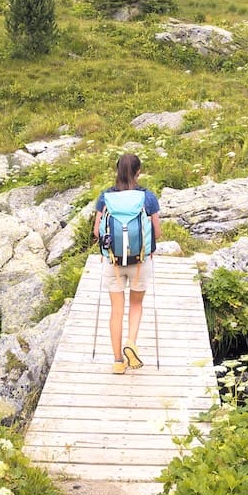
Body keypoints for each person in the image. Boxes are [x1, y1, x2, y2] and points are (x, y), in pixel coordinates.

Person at [93, 153, 162, 374]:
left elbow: (97, 232)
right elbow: (157, 233)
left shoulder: (106, 197)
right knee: (136, 305)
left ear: (117, 171)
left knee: (116, 310)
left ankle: (117, 361)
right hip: (140, 261)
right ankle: (131, 343)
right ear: (138, 172)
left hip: (113, 261)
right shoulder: (147, 197)